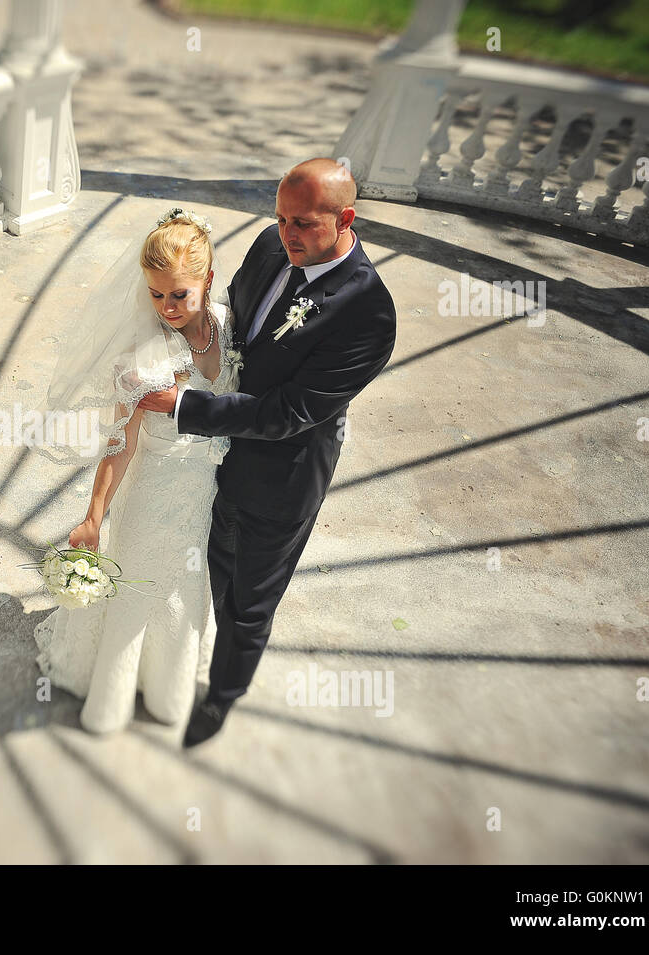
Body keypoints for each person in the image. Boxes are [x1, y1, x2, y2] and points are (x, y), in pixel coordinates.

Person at [137, 158, 397, 747]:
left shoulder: (370, 314)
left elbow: (290, 413)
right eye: (280, 219)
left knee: (249, 606)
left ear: (345, 218)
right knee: (208, 569)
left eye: (302, 224)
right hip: (212, 464)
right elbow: (232, 321)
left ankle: (222, 697)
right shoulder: (269, 245)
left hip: (280, 482)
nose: (287, 234)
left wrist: (183, 407)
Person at [31, 207, 239, 734]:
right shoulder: (140, 362)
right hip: (155, 494)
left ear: (207, 280)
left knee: (187, 589)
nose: (166, 307)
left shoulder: (229, 321)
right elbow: (118, 443)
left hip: (209, 494)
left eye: (179, 294)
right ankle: (112, 697)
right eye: (155, 294)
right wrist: (93, 517)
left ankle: (168, 689)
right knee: (142, 587)